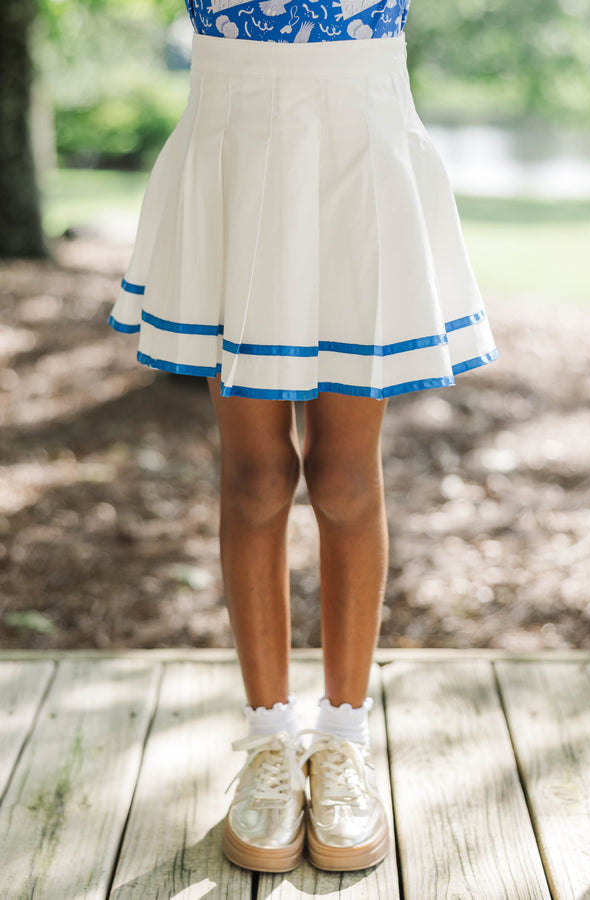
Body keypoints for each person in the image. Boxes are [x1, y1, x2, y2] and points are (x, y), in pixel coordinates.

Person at [107, 0, 498, 875]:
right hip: (235, 145)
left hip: (359, 150)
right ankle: (269, 743)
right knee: (253, 478)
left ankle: (346, 739)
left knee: (346, 479)